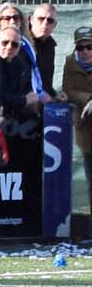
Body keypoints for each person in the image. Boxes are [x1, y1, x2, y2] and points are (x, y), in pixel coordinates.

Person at [59, 27, 92, 213]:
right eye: (81, 48)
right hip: (85, 130)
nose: (85, 51)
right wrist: (88, 99)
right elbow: (68, 91)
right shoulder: (70, 63)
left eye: (89, 47)